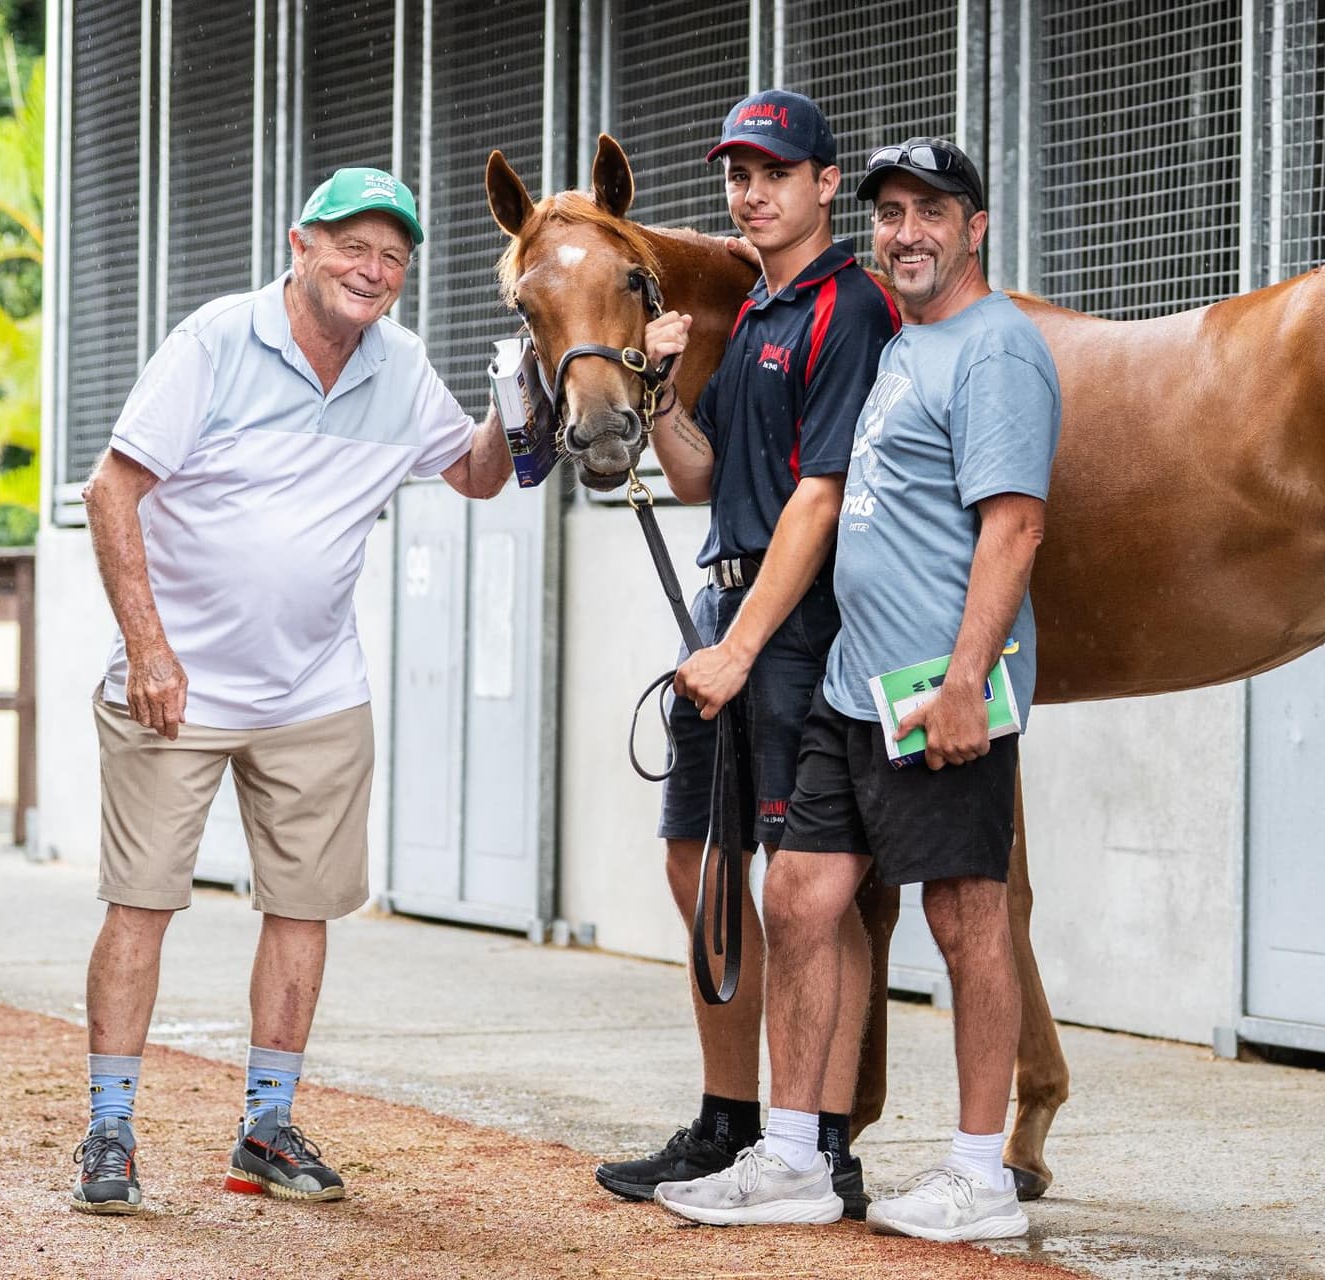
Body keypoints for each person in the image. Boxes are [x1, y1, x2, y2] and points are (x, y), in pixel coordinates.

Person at [69, 168, 513, 1215]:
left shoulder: (400, 368)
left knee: (304, 907)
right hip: (175, 681)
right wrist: (150, 651)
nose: (374, 269)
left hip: (316, 689)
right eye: (354, 247)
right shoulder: (216, 342)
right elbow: (110, 488)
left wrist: (524, 388)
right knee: (142, 903)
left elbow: (480, 473)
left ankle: (266, 1127)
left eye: (394, 256)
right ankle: (108, 1129)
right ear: (300, 244)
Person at [654, 137, 1060, 1241]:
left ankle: (983, 1176)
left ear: (976, 226)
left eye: (932, 211)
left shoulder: (996, 350)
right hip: (851, 684)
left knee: (967, 915)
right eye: (893, 213)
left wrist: (970, 677)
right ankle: (791, 1154)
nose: (908, 232)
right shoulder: (899, 347)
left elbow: (1014, 523)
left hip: (937, 683)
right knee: (798, 898)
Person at [590, 91, 899, 1217]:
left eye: (775, 171)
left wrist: (745, 645)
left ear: (825, 184)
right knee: (699, 867)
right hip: (722, 613)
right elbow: (696, 476)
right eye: (737, 173)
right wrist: (662, 384)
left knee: (807, 891)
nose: (751, 190)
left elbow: (820, 496)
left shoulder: (849, 307)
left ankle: (819, 1139)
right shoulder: (761, 311)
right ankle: (729, 1122)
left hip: (798, 624)